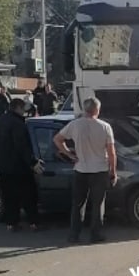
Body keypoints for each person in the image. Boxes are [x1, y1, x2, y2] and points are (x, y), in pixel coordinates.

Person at [54, 96, 117, 244]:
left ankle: (74, 234)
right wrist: (113, 172)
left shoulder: (74, 125)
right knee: (97, 204)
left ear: (84, 109)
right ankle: (95, 234)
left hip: (80, 169)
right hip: (100, 170)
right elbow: (112, 152)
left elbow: (57, 139)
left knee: (78, 204)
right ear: (97, 110)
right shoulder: (105, 126)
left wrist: (69, 154)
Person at [0, 97, 44, 231]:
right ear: (18, 108)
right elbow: (22, 146)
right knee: (28, 195)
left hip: (3, 167)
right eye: (23, 109)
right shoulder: (18, 124)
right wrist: (33, 162)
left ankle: (11, 223)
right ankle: (33, 222)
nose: (25, 112)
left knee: (9, 196)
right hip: (19, 167)